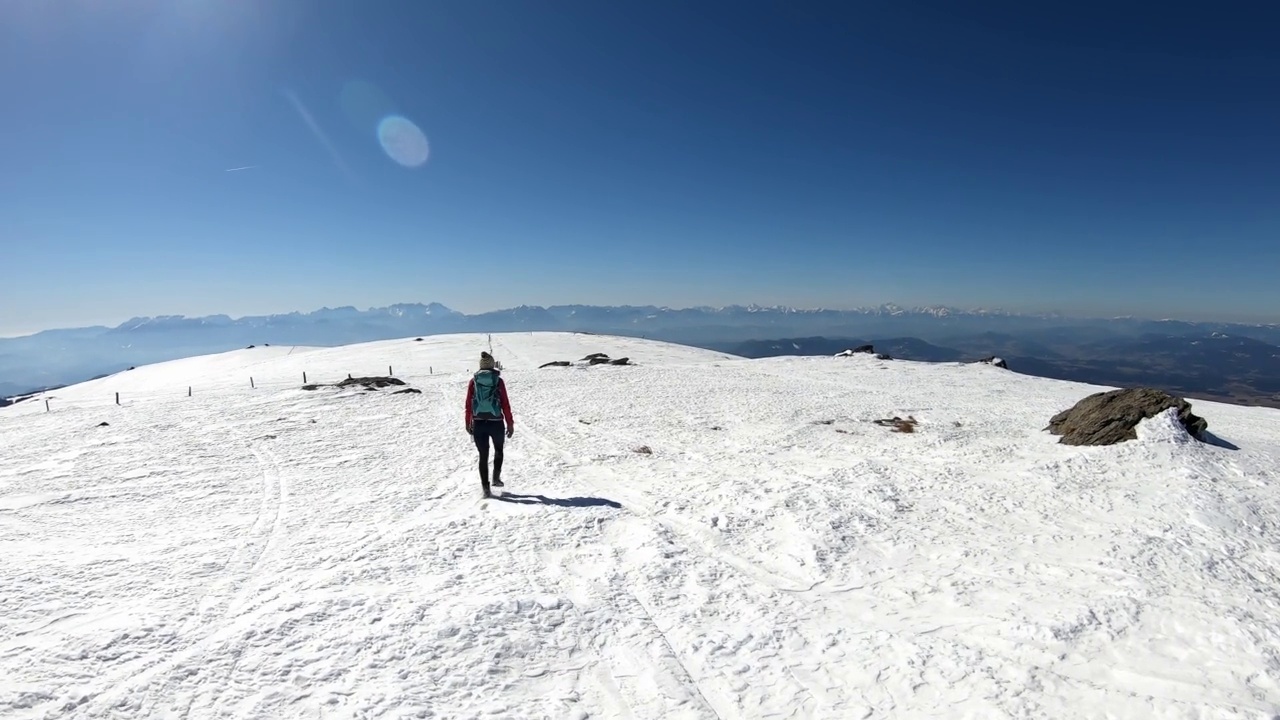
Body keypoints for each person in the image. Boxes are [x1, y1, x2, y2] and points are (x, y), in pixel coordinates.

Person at [465, 351, 514, 497]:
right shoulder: (498, 381)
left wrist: (468, 422)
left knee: (483, 456)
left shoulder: (473, 381)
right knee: (498, 450)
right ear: (493, 365)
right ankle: (496, 478)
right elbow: (505, 403)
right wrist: (510, 423)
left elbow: (468, 404)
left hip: (479, 422)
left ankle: (486, 489)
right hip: (496, 422)